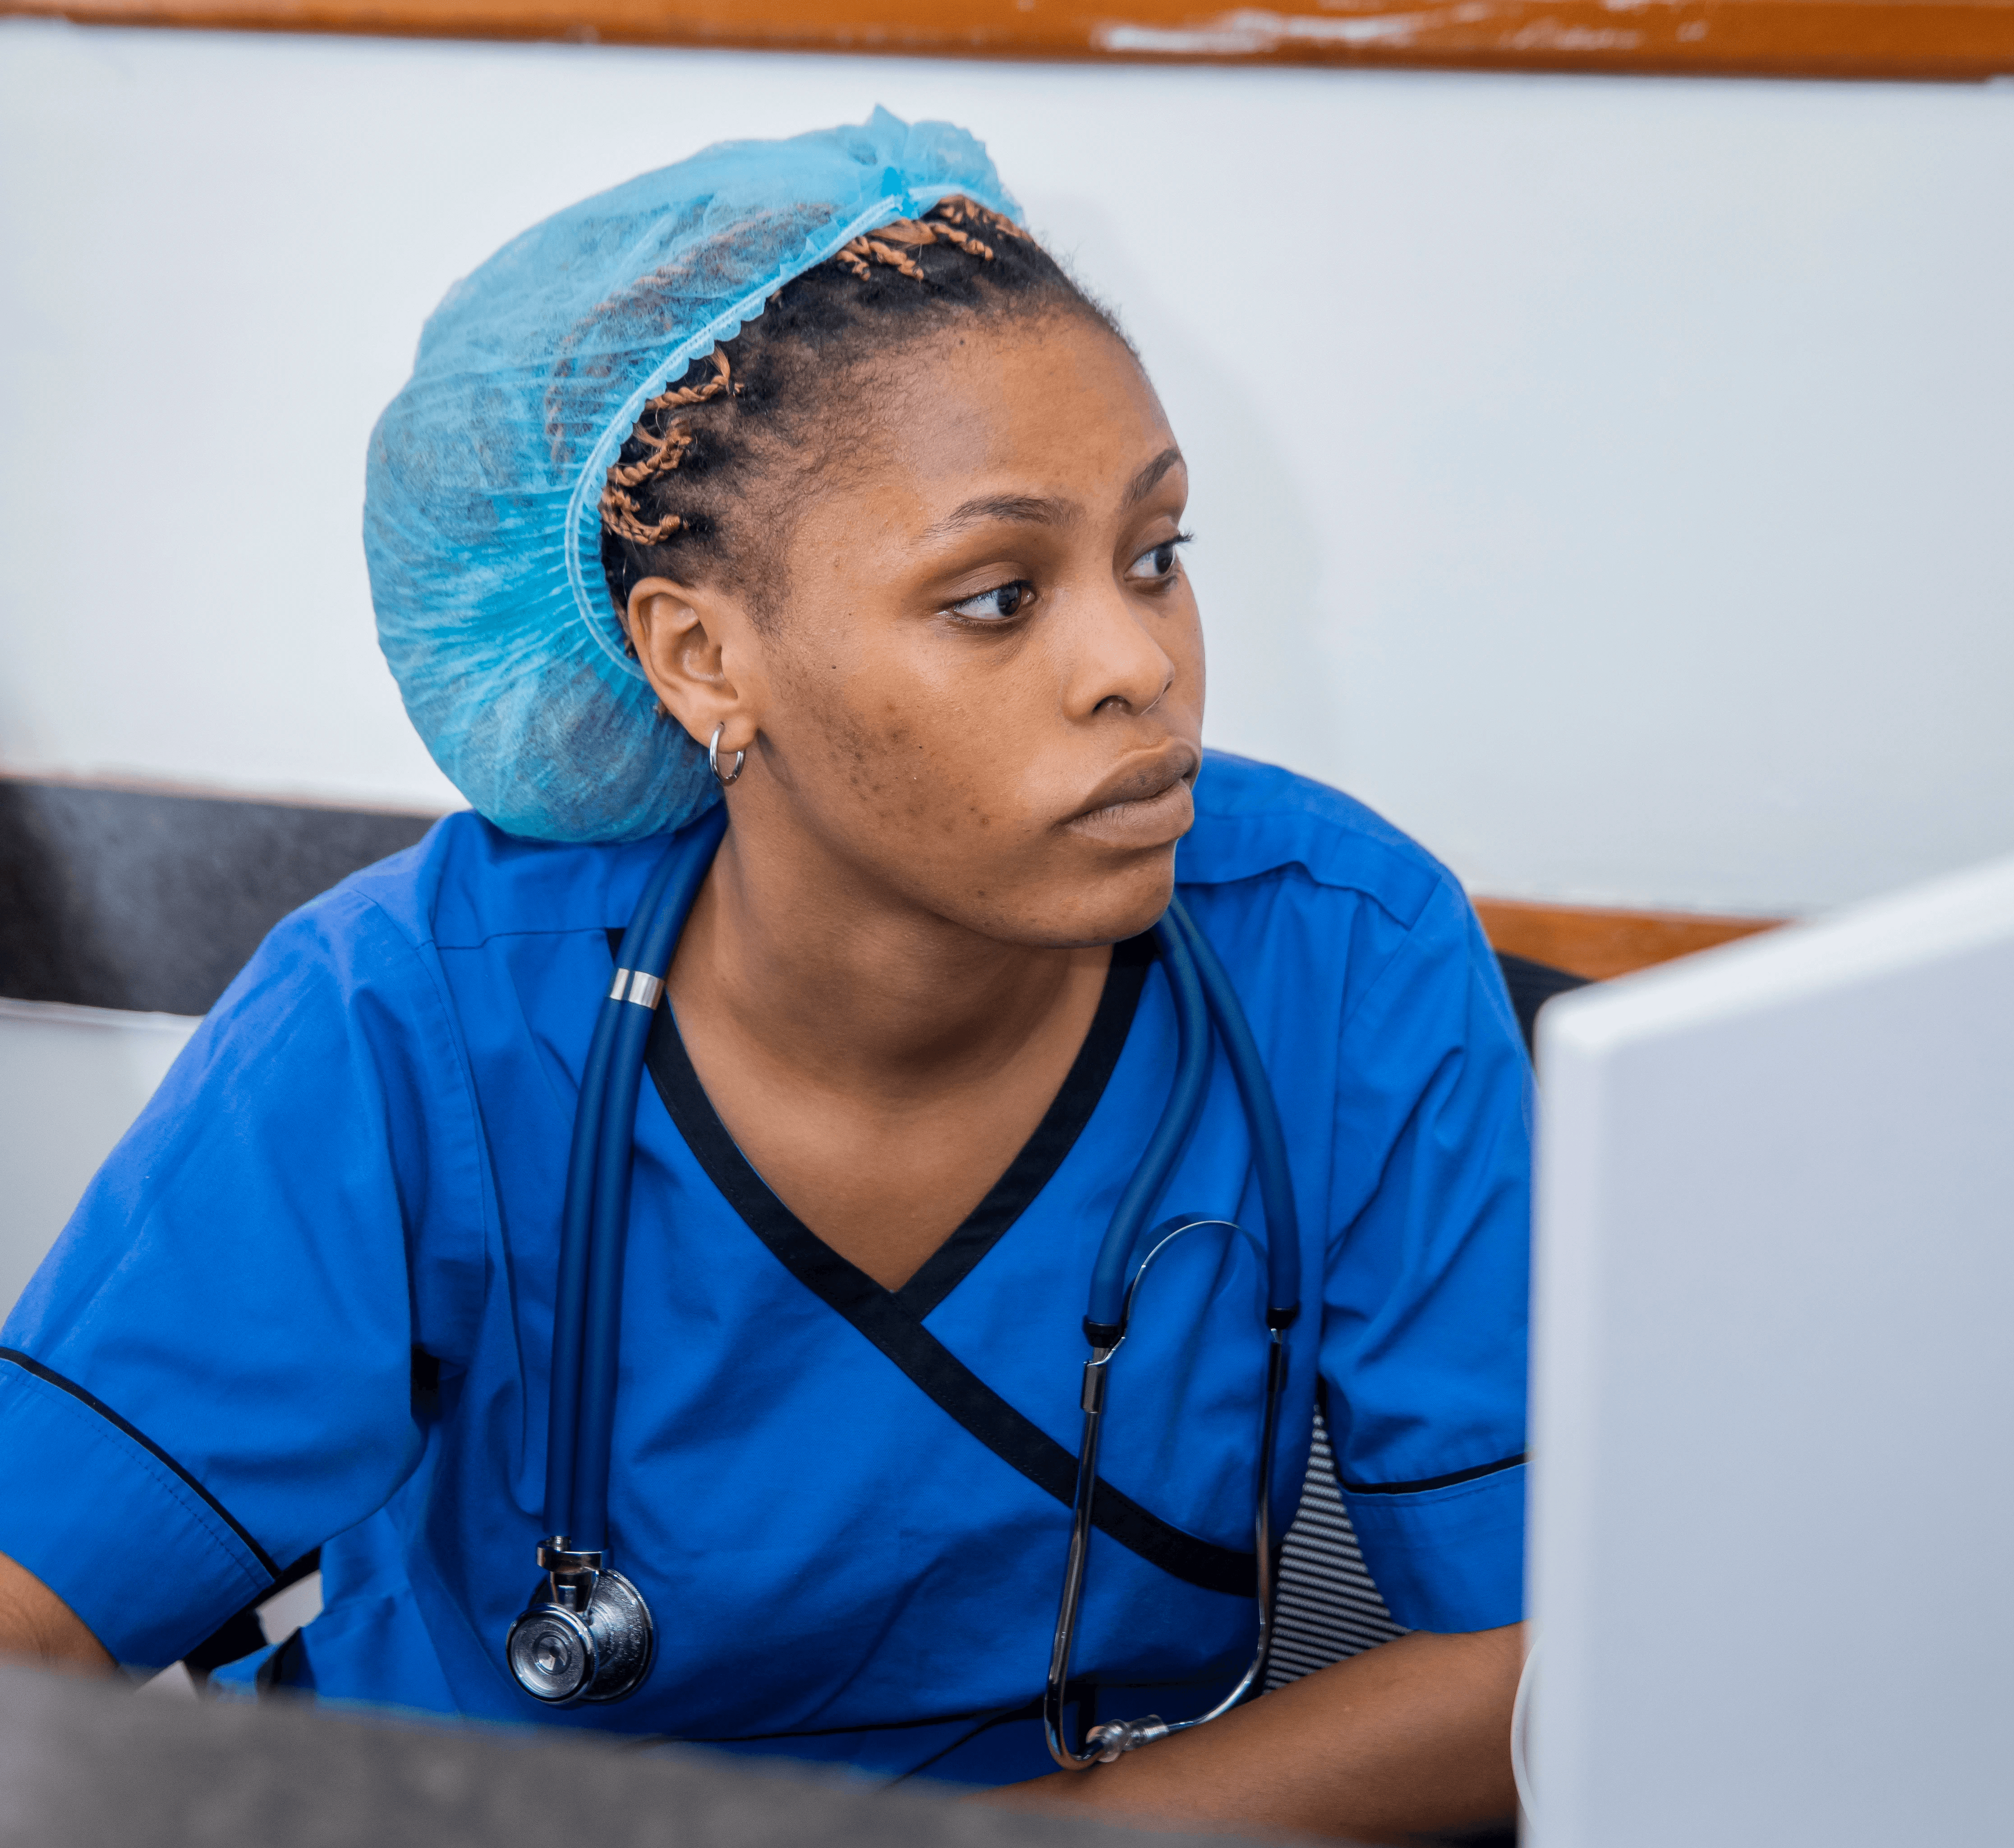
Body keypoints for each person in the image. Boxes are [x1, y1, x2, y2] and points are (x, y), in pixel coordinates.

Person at [0, 112, 1530, 1841]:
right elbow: (24, 1615)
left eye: (1156, 557)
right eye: (996, 596)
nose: (1140, 668)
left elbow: (1527, 1664)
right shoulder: (408, 1018)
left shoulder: (1346, 954)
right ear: (702, 654)